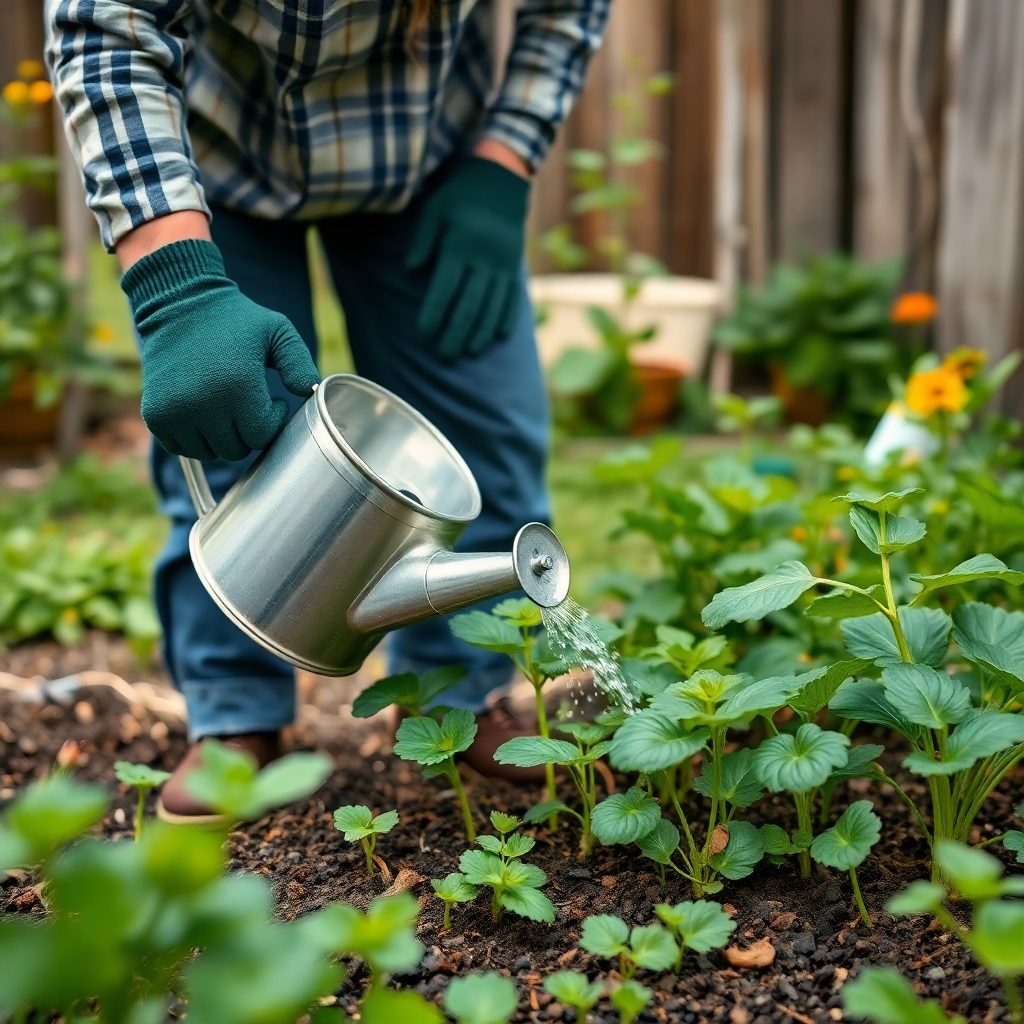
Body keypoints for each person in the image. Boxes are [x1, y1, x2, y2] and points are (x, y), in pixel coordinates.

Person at [46, 0, 611, 819]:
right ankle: (237, 714)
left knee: (481, 436)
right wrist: (177, 288)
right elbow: (104, 26)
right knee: (235, 429)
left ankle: (457, 695)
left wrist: (505, 159)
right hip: (212, 165)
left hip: (425, 162)